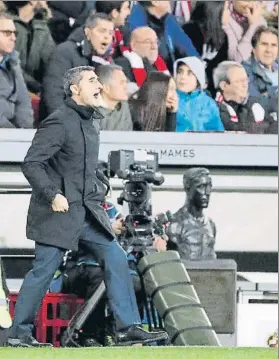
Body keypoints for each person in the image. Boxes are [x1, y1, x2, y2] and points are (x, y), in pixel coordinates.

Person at [7, 65, 168, 348]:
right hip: (56, 212)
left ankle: (128, 328)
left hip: (87, 211)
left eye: (98, 79)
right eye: (92, 80)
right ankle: (19, 333)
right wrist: (52, 194)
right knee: (43, 271)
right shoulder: (58, 121)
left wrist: (99, 184)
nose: (98, 85)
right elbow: (32, 163)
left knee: (116, 257)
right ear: (74, 89)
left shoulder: (92, 121)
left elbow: (82, 166)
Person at [40, 13, 114, 120]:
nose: (107, 36)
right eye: (102, 31)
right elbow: (54, 94)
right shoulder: (65, 52)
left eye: (111, 33)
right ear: (87, 33)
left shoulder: (108, 62)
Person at [129, 1, 199, 72]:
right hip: (149, 76)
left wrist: (199, 72)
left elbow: (188, 48)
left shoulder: (169, 19)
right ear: (154, 2)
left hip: (170, 74)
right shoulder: (135, 20)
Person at [214, 61, 278, 134]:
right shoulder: (214, 108)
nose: (245, 85)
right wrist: (262, 127)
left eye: (246, 80)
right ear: (224, 85)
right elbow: (232, 128)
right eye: (239, 81)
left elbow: (274, 126)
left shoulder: (254, 103)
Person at [167, 168, 217, 261]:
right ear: (187, 188)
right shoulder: (175, 224)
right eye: (201, 186)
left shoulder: (211, 224)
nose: (207, 192)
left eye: (209, 186)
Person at [5, 1, 55, 94]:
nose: (46, 2)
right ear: (32, 1)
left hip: (34, 89)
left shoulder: (41, 26)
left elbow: (52, 61)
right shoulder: (6, 24)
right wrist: (35, 86)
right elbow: (9, 64)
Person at [0, 12, 34, 128]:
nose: (13, 38)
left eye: (14, 33)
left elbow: (23, 102)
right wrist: (12, 133)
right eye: (7, 33)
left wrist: (24, 131)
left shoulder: (13, 61)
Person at [173, 56, 224, 132]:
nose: (182, 77)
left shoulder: (209, 103)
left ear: (198, 78)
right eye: (179, 72)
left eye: (189, 73)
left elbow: (218, 133)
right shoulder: (170, 99)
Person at [242, 26, 278, 120]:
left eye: (273, 45)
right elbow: (254, 103)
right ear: (254, 49)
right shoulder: (244, 71)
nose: (269, 50)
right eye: (264, 44)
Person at [95, 64, 133, 131]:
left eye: (126, 82)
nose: (126, 87)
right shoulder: (90, 113)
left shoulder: (124, 106)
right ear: (106, 88)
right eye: (121, 83)